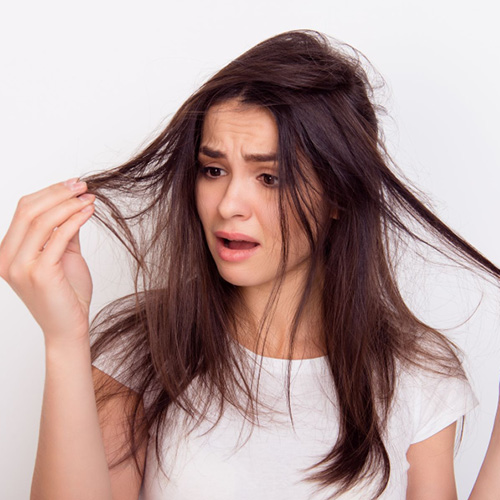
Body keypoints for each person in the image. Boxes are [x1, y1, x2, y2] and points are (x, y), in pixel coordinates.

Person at [0, 30, 499, 500]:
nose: (228, 204)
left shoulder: (417, 373)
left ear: (338, 196)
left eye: (270, 177)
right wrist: (64, 339)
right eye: (214, 170)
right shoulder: (146, 346)